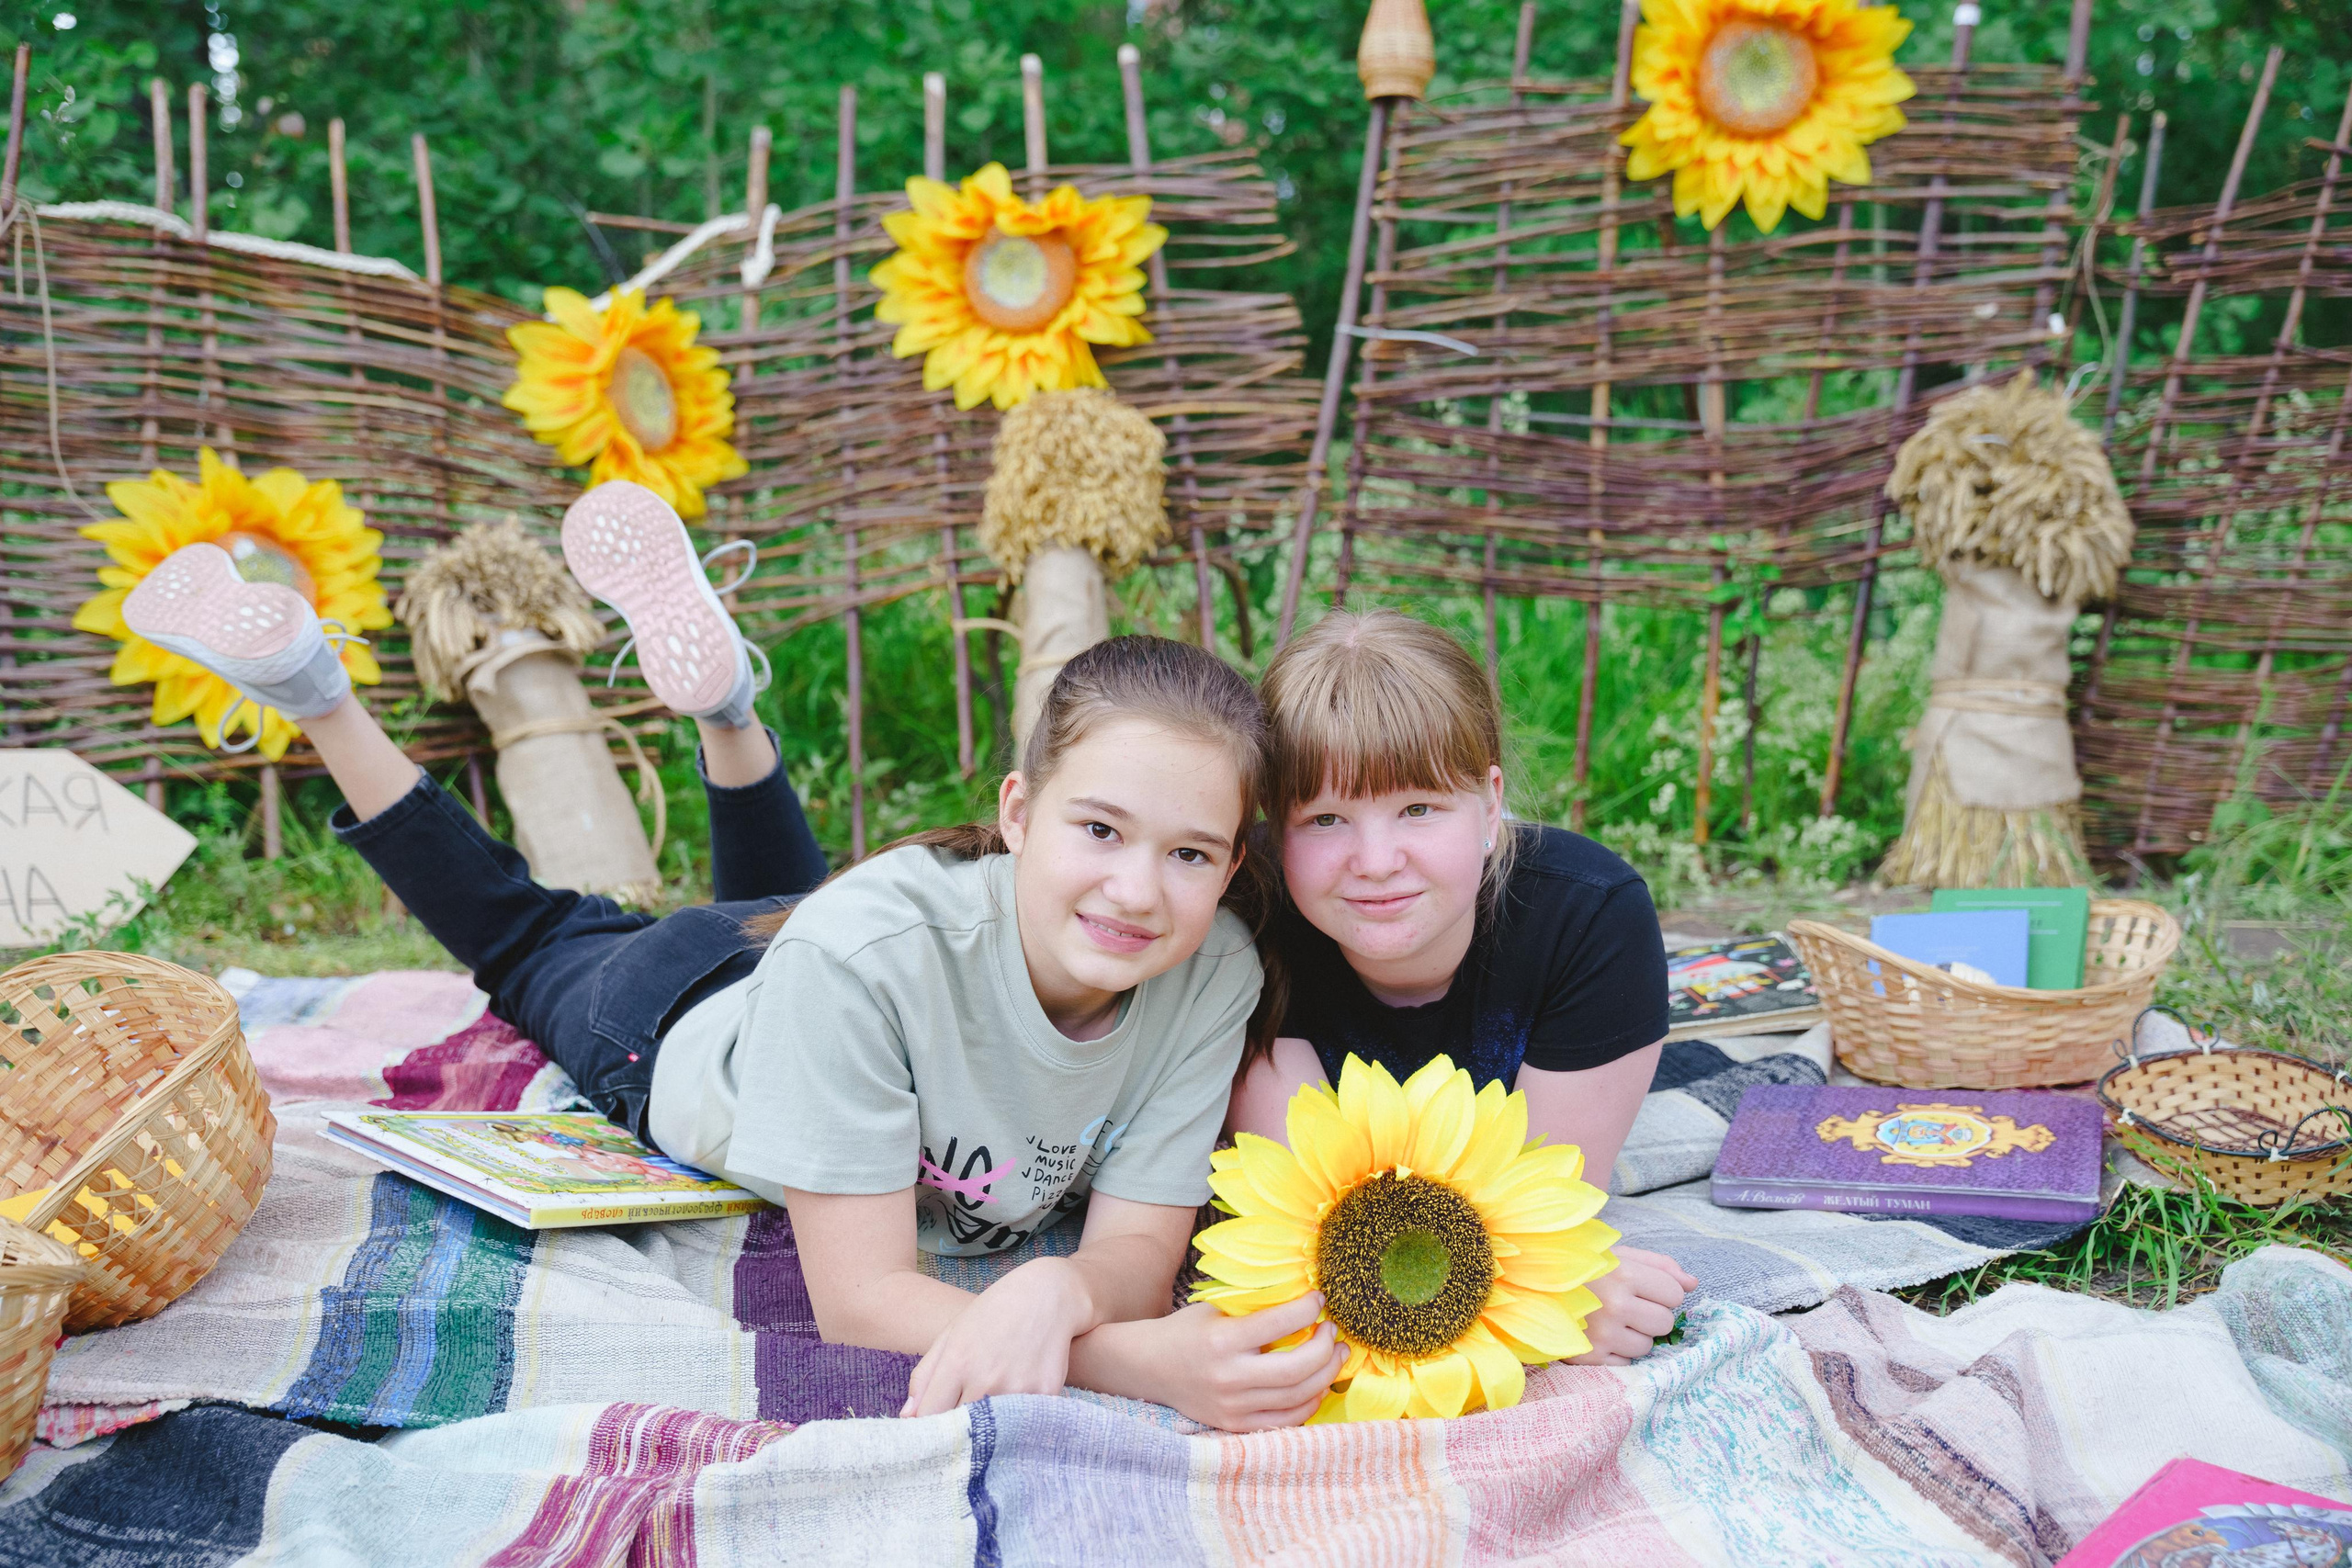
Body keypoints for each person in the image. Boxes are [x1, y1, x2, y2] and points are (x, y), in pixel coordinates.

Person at [124, 479, 1346, 1430]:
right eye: (1099, 828)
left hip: (809, 953)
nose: (1140, 889)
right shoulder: (874, 951)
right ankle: (315, 686)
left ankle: (724, 703)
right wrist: (1137, 1358)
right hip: (673, 1019)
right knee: (522, 930)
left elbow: (1135, 1245)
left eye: (1192, 852)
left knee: (792, 904)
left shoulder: (1214, 971)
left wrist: (1057, 1289)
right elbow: (860, 1298)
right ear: (1019, 810)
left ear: (1235, 865)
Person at [1226, 607, 1699, 1366]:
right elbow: (1315, 1228)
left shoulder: (1590, 915)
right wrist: (1555, 1296)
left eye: (1418, 807)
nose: (1376, 860)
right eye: (1324, 818)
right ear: (1273, 828)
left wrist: (1554, 1280)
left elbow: (1546, 1215)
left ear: (1489, 803)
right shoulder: (1243, 923)